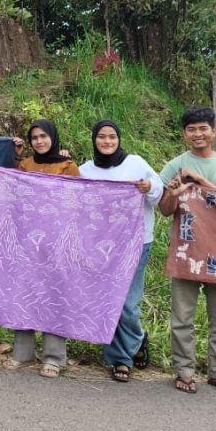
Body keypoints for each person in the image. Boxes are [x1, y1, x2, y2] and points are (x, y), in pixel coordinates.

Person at [158, 106, 216, 396]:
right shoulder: (174, 165)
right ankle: (184, 370)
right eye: (191, 129)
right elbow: (164, 211)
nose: (198, 134)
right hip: (186, 250)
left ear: (214, 131)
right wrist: (172, 193)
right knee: (182, 316)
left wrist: (199, 181)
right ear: (184, 134)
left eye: (203, 128)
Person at [79, 120, 163, 382]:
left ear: (119, 139)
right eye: (101, 137)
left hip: (136, 242)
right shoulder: (85, 170)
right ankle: (121, 358)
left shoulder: (136, 164)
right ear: (94, 140)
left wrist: (149, 188)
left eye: (112, 137)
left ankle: (136, 338)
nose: (106, 141)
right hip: (99, 246)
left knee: (127, 304)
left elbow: (159, 195)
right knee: (107, 300)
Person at [9, 119, 81, 378]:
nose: (39, 141)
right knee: (25, 293)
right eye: (35, 137)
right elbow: (14, 196)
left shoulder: (68, 166)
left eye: (43, 136)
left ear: (53, 137)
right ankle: (23, 353)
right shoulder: (25, 165)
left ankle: (54, 357)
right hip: (29, 242)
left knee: (54, 295)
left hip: (58, 244)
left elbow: (77, 203)